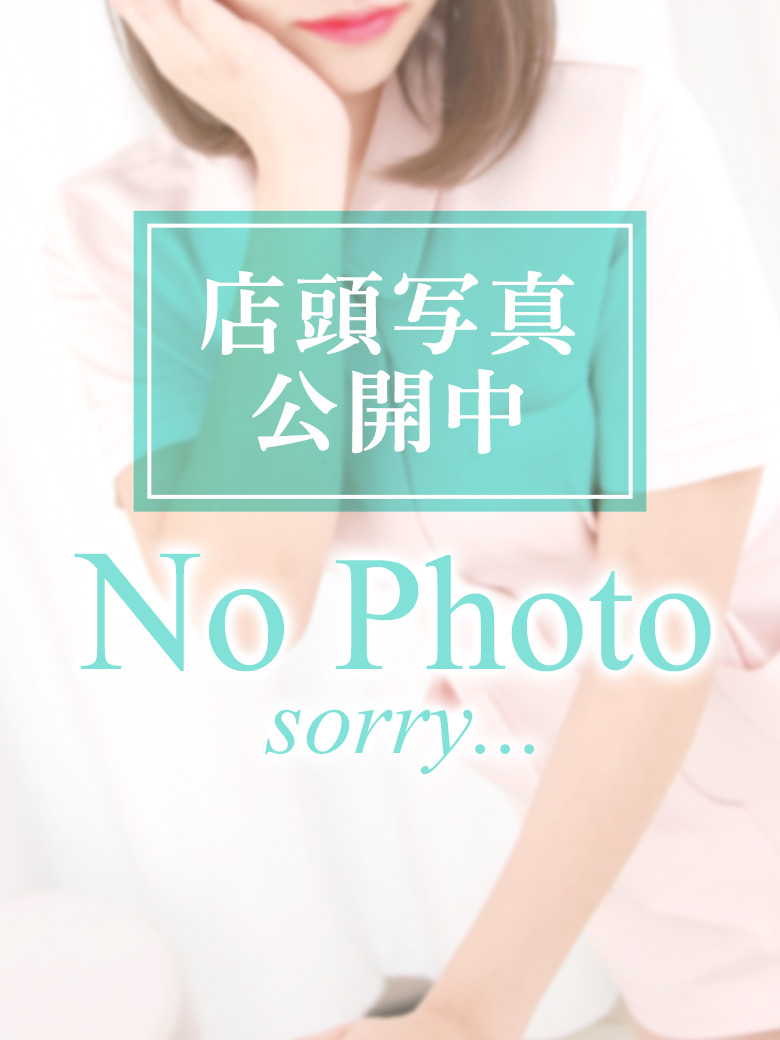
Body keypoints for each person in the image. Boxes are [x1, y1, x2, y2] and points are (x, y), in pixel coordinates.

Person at [44, 1, 780, 1038]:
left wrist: (472, 1009)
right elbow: (242, 605)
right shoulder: (120, 230)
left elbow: (662, 623)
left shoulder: (616, 128)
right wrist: (300, 171)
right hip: (632, 874)